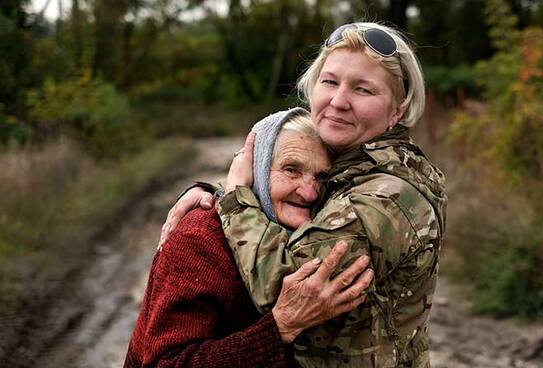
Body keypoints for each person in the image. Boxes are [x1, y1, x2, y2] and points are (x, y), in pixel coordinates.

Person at [164, 22, 447, 367]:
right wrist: (214, 193)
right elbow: (300, 206)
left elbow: (286, 292)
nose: (339, 101)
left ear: (397, 110)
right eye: (329, 82)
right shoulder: (354, 167)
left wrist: (236, 197)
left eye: (363, 90)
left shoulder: (385, 197)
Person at [124, 108, 374, 368]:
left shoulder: (318, 234)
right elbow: (167, 363)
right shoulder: (200, 239)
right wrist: (279, 328)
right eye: (291, 170)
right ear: (257, 170)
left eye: (321, 177)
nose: (310, 193)